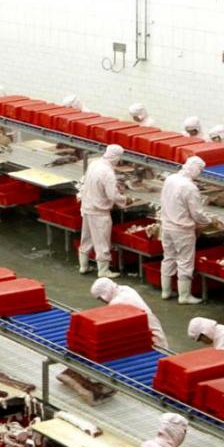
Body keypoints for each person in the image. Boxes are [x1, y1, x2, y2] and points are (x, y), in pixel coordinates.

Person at [159, 156, 211, 305]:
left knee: (168, 257)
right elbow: (197, 213)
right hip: (182, 230)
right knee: (185, 261)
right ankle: (184, 296)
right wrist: (208, 221)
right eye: (200, 170)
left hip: (166, 226)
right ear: (196, 169)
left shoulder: (170, 179)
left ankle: (166, 291)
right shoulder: (190, 187)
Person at [77, 145, 125, 277]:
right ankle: (103, 271)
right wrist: (125, 200)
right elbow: (112, 195)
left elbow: (85, 181)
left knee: (86, 238)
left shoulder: (94, 163)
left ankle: (83, 266)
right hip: (99, 211)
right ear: (115, 157)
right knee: (102, 241)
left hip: (87, 206)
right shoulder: (108, 173)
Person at [90, 277, 168, 349]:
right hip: (154, 327)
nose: (102, 301)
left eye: (100, 298)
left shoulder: (117, 303)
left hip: (148, 336)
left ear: (104, 293)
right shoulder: (126, 289)